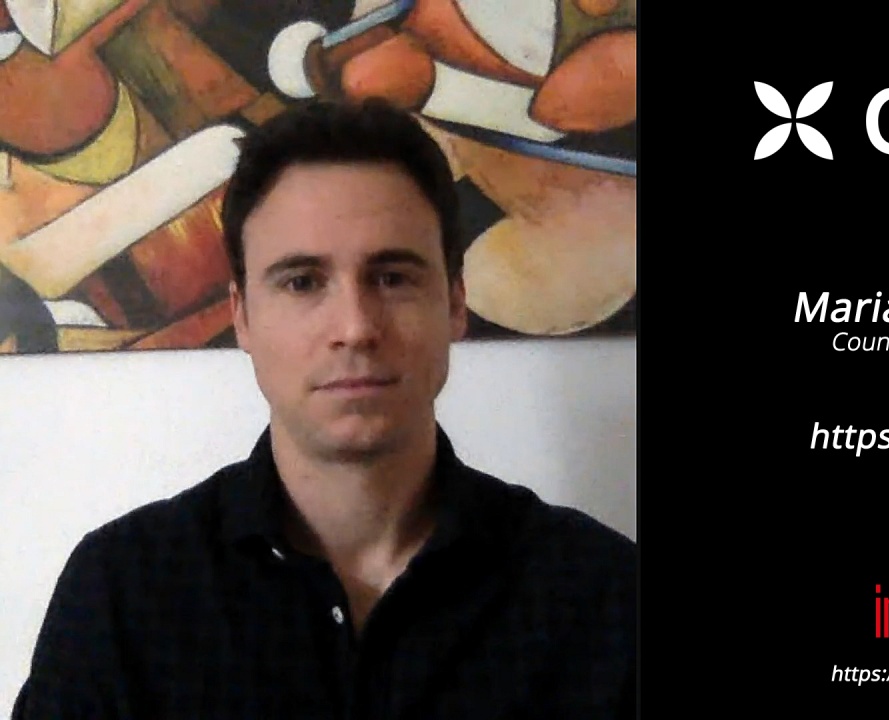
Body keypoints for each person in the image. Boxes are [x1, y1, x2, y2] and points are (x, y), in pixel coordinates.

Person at [11, 98, 637, 718]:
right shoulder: (123, 594)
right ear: (242, 316)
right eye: (302, 282)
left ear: (454, 304)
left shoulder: (602, 595)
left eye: (392, 277)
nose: (355, 327)